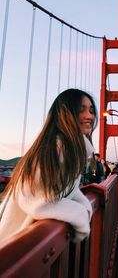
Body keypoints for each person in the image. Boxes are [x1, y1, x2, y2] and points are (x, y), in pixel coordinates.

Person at [0, 88, 97, 243]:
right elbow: (36, 202)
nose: (89, 116)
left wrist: (83, 205)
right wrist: (80, 215)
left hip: (22, 244)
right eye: (81, 110)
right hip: (13, 250)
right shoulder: (56, 148)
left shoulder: (68, 149)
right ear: (65, 115)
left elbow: (63, 188)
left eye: (91, 111)